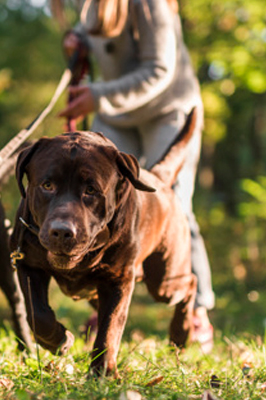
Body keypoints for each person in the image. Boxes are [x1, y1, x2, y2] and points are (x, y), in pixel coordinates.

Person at [52, 0, 215, 352]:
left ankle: (197, 308)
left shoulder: (149, 5)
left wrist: (96, 94)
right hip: (116, 116)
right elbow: (90, 28)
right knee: (100, 203)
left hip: (168, 110)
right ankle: (103, 303)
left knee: (175, 206)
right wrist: (75, 39)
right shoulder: (88, 5)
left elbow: (159, 70)